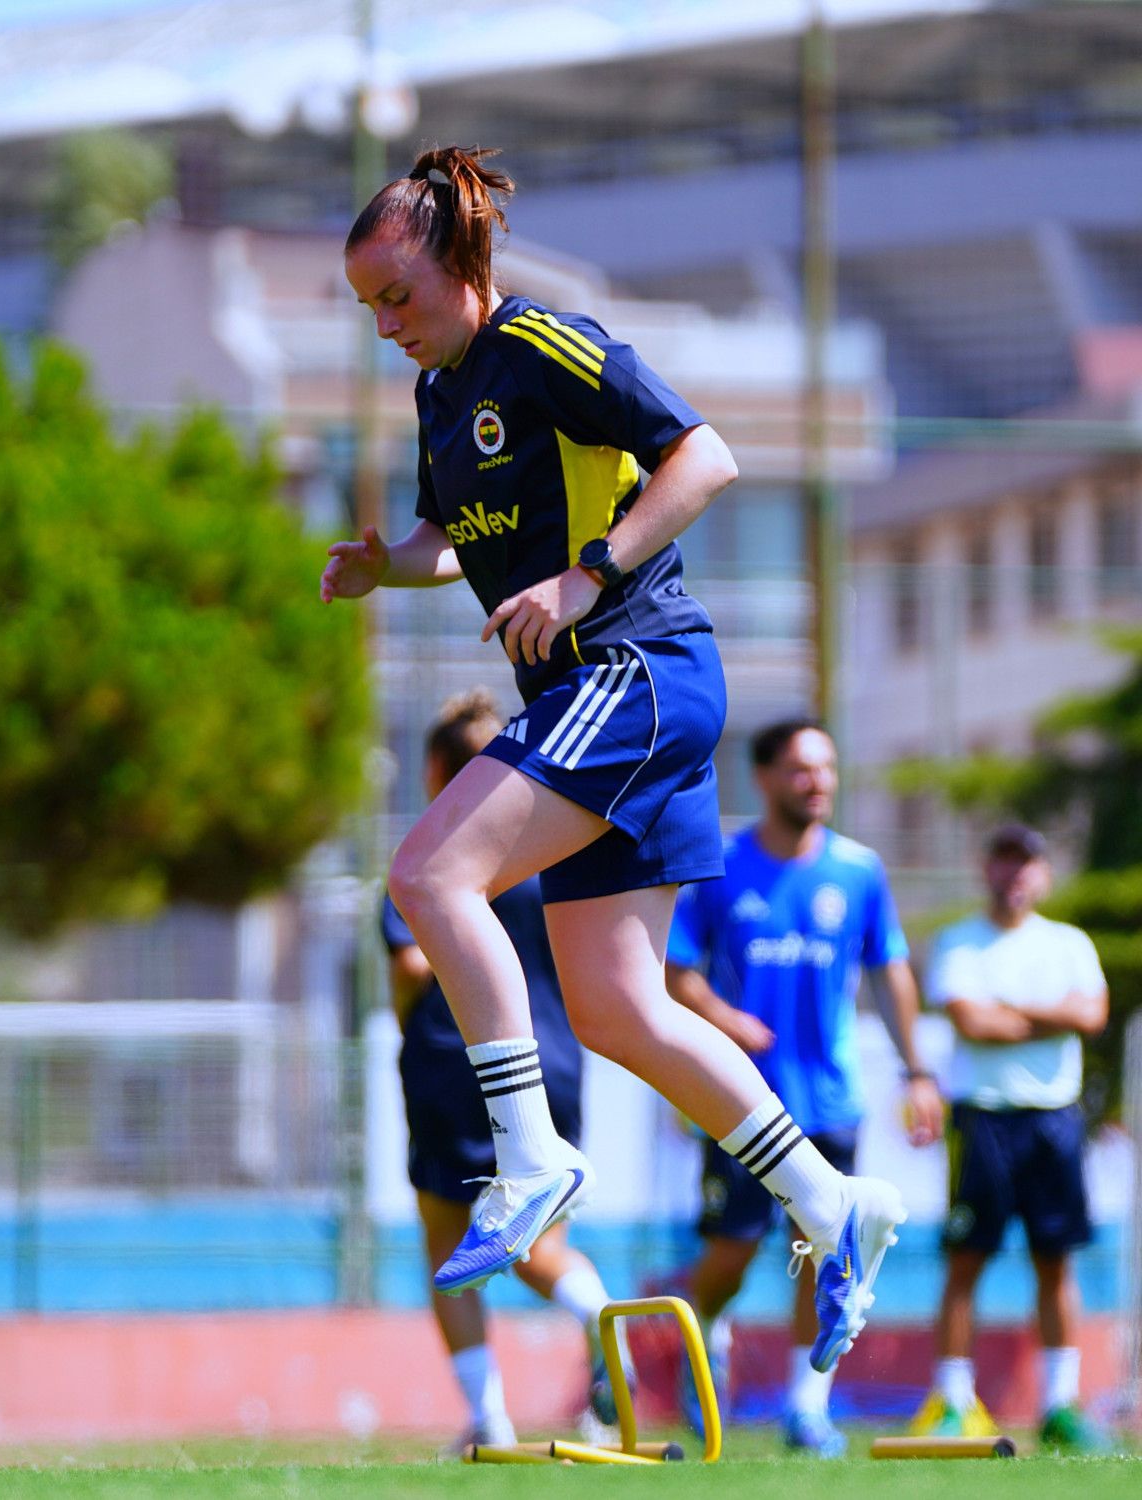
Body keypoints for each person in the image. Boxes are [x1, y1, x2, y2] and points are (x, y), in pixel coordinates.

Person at [321, 142, 907, 1382]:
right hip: (601, 696)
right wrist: (390, 565)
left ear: (460, 264)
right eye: (369, 305)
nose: (385, 325)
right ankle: (832, 1199)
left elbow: (705, 457)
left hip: (637, 670)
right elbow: (452, 537)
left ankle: (529, 1156)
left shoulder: (543, 344)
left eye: (398, 296)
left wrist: (591, 573)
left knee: (428, 877)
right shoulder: (440, 395)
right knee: (618, 1010)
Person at [661, 718, 943, 1454]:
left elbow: (889, 970)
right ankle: (705, 1337)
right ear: (763, 778)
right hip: (741, 1104)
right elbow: (675, 973)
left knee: (825, 1254)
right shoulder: (720, 866)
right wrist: (729, 1020)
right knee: (729, 1257)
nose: (816, 782)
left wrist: (917, 1072)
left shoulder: (859, 870)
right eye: (799, 768)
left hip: (831, 1101)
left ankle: (806, 1406)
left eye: (826, 767)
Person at [381, 688, 633, 1450]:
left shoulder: (430, 853)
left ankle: (486, 1415)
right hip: (555, 1062)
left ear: (433, 771)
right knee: (539, 1245)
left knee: (447, 1236)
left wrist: (413, 1027)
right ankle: (598, 1316)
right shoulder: (556, 852)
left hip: (455, 1060)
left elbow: (411, 968)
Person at [911, 822, 1110, 1452]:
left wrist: (1011, 1009)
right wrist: (1050, 1017)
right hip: (983, 1119)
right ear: (985, 868)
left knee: (1055, 1261)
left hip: (1054, 1118)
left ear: (1042, 873)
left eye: (1025, 862)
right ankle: (953, 1402)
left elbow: (1091, 1014)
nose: (1014, 873)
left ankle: (1060, 1406)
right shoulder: (959, 942)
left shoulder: (1069, 944)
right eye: (1003, 860)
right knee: (966, 1259)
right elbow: (972, 1023)